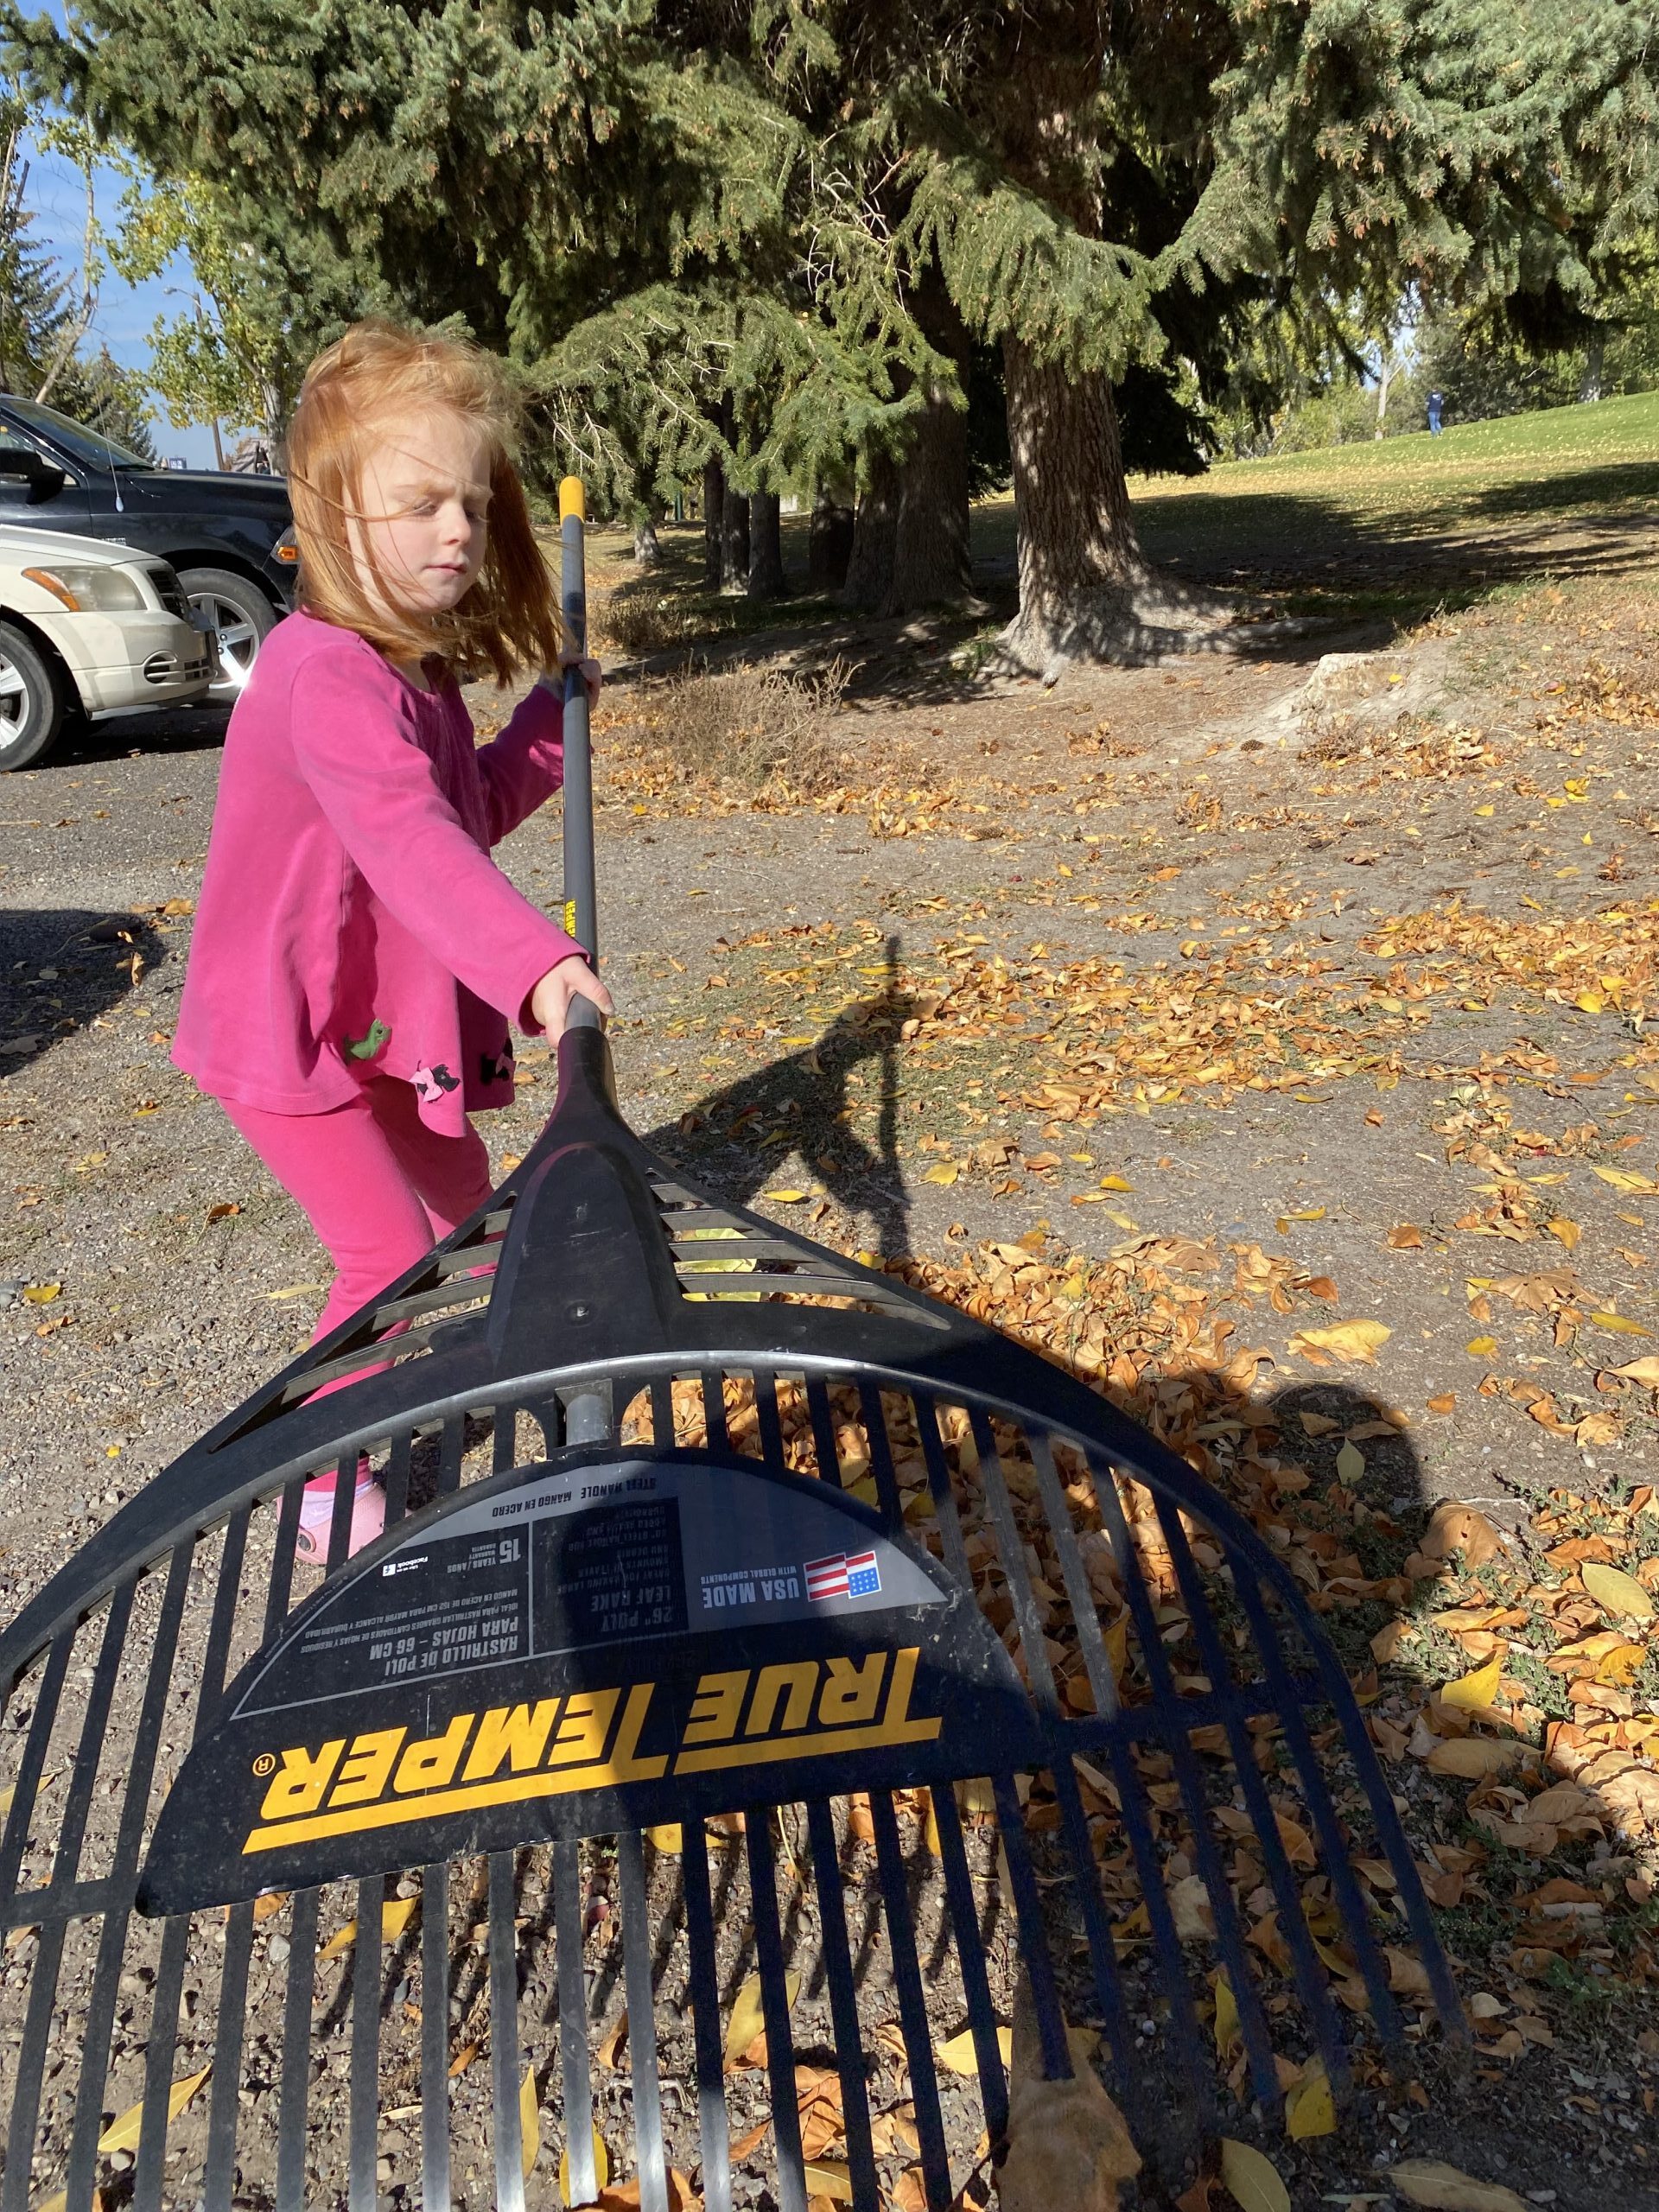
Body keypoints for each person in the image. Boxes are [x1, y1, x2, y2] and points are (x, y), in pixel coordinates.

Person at [174, 321, 609, 1562]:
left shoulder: (409, 672)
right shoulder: (322, 674)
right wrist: (532, 963)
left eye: (470, 502)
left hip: (366, 1024)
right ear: (328, 515)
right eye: (420, 502)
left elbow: (458, 807)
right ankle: (323, 1469)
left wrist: (545, 724)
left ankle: (439, 1367)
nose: (459, 530)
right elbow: (411, 842)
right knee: (387, 1255)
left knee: (474, 1228)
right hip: (287, 1032)